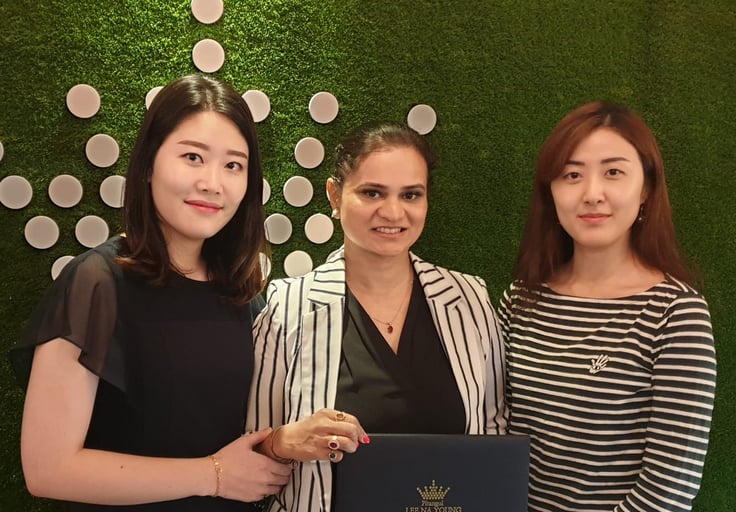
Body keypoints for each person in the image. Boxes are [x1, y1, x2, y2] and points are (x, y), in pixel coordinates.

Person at [9, 74, 292, 511]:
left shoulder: (241, 290)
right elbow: (49, 469)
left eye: (234, 165)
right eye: (193, 157)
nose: (213, 183)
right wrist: (213, 474)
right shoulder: (97, 283)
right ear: (147, 165)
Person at [245, 121, 508, 512]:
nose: (393, 211)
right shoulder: (288, 305)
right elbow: (251, 449)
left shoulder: (468, 298)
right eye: (372, 192)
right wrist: (282, 442)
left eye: (411, 194)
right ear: (335, 196)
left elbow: (493, 434)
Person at [498, 101, 717, 512]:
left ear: (646, 188)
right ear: (551, 191)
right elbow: (492, 432)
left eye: (613, 172)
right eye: (572, 175)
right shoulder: (521, 300)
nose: (592, 194)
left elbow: (668, 490)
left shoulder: (676, 313)